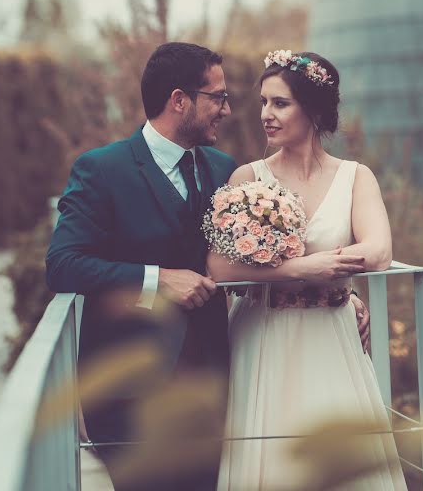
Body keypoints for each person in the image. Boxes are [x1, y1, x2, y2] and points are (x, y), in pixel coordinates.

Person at [46, 42, 372, 491]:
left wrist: (340, 293)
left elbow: (266, 256)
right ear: (179, 100)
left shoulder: (226, 171)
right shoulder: (101, 171)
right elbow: (63, 264)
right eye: (217, 97)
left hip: (218, 389)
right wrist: (157, 280)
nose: (227, 109)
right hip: (130, 398)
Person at [211, 50, 408, 490]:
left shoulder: (356, 177)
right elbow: (220, 266)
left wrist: (335, 280)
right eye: (264, 102)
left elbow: (377, 252)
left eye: (280, 103)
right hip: (264, 334)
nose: (266, 114)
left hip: (332, 333)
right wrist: (303, 267)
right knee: (273, 458)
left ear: (314, 110)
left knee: (341, 463)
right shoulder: (248, 177)